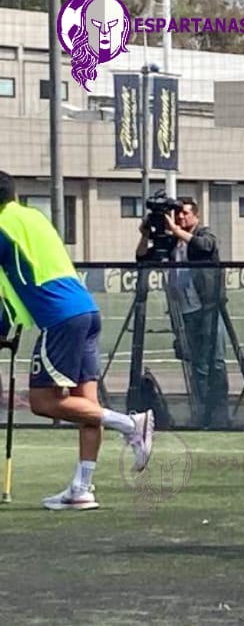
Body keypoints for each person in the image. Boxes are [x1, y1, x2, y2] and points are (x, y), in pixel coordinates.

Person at [0, 170, 152, 510]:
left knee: (42, 400)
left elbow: (4, 293)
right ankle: (82, 488)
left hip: (60, 319)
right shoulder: (31, 218)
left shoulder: (1, 229)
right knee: (87, 407)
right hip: (85, 310)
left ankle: (131, 424)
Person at [136, 196, 229, 428]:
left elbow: (205, 247)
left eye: (185, 213)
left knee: (214, 362)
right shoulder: (172, 241)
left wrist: (177, 231)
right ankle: (201, 413)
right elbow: (141, 257)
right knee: (197, 364)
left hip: (208, 308)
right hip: (186, 312)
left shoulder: (203, 234)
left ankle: (219, 413)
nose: (180, 217)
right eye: (177, 214)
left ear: (195, 215)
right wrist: (145, 234)